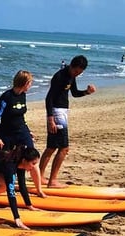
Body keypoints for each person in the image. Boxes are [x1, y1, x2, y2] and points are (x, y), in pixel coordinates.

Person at [40, 55, 96, 188]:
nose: (77, 74)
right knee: (64, 148)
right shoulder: (60, 76)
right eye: (76, 71)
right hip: (57, 113)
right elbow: (49, 98)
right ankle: (52, 181)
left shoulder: (71, 76)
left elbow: (75, 93)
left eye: (79, 73)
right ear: (71, 66)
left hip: (62, 112)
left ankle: (40, 176)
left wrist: (87, 92)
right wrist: (50, 119)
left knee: (51, 147)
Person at [0, 70, 46, 198]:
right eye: (30, 83)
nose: (31, 85)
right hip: (7, 134)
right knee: (3, 161)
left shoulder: (23, 95)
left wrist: (28, 130)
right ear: (25, 83)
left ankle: (39, 189)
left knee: (33, 158)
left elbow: (21, 116)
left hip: (22, 131)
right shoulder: (6, 97)